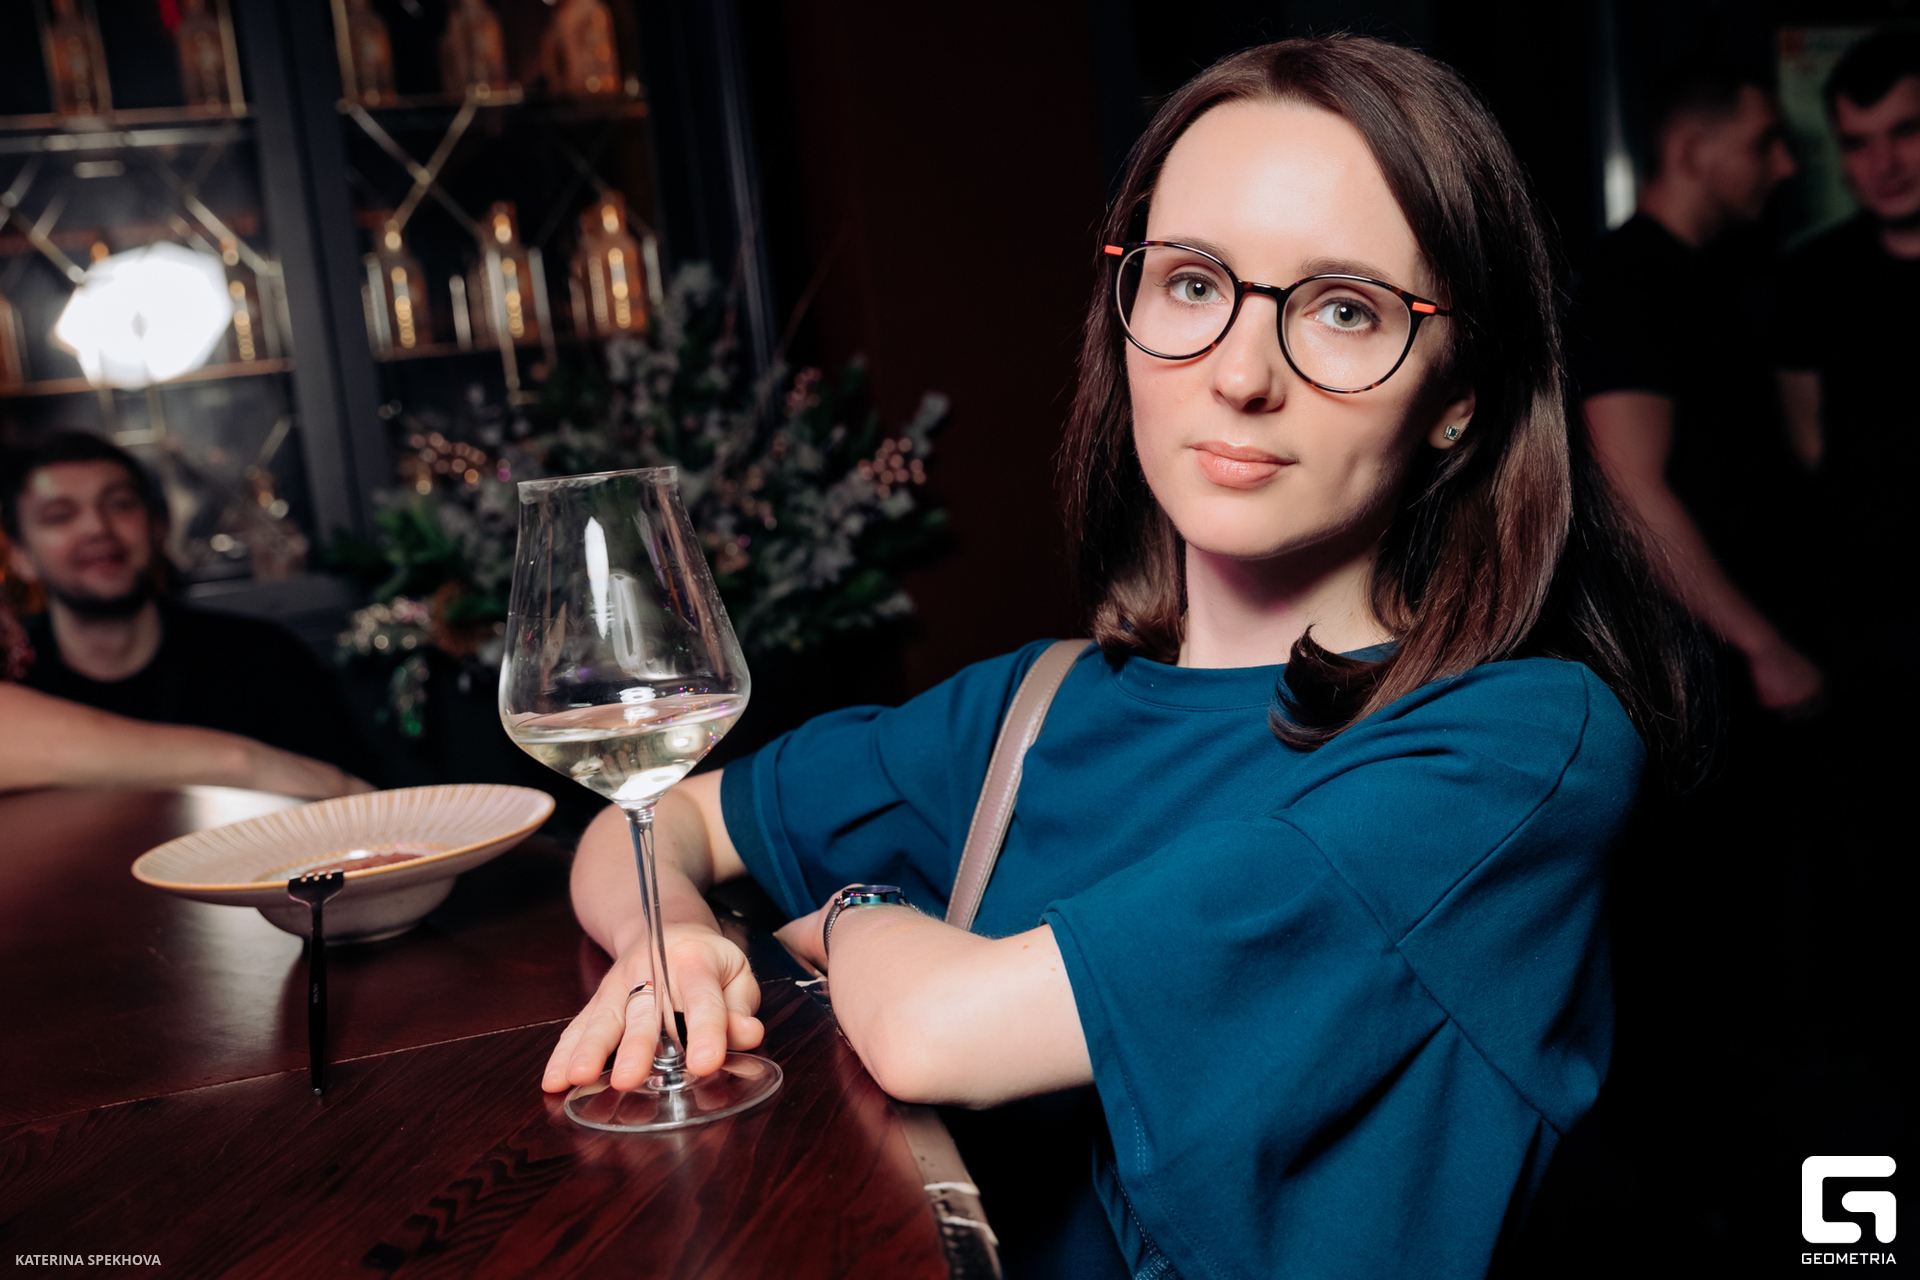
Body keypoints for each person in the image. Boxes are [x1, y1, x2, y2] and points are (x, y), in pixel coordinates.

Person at [542, 36, 1707, 1280]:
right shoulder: (1027, 707)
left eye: (1345, 308)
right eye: (1193, 283)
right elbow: (641, 823)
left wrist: (856, 911)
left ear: (1460, 393)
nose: (1242, 373)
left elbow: (942, 1029)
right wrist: (678, 946)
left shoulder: (1518, 743)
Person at [1570, 64, 1820, 715]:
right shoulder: (1634, 280)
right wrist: (1762, 645)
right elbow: (1630, 486)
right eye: (1763, 143)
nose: (1786, 166)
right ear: (1689, 151)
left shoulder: (1699, 278)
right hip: (1693, 666)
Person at [1, 430, 375, 797]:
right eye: (59, 516)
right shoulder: (13, 672)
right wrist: (242, 763)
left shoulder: (265, 659)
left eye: (120, 504)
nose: (97, 527)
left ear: (159, 527)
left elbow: (352, 804)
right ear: (20, 555)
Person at [1773, 28, 1919, 691]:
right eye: (1858, 143)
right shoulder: (1814, 275)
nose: (1884, 163)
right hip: (1861, 611)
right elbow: (1807, 435)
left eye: (1906, 131)